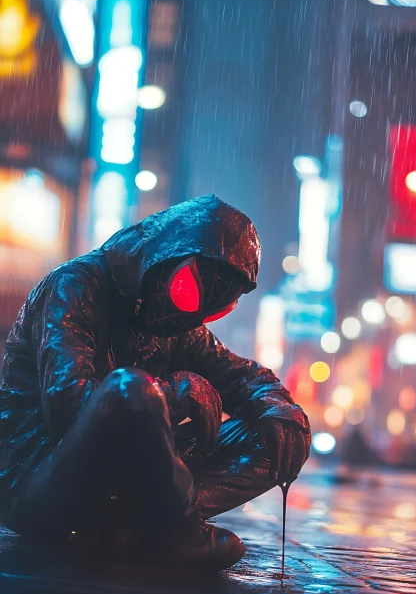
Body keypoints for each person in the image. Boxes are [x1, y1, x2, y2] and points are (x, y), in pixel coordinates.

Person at [0, 195, 311, 569]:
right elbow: (67, 408)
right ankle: (173, 531)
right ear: (162, 258)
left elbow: (245, 377)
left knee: (278, 432)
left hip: (115, 488)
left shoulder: (177, 323)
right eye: (188, 292)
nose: (190, 317)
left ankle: (140, 525)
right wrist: (171, 393)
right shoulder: (73, 288)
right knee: (128, 389)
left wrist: (279, 406)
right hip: (37, 481)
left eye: (213, 309)